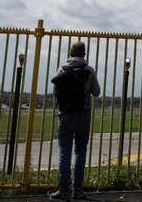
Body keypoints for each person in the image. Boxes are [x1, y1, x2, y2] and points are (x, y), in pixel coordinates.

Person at [49, 41, 101, 201]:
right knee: (80, 153)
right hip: (83, 115)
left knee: (65, 152)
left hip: (65, 115)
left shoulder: (62, 69)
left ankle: (63, 191)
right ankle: (77, 190)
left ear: (70, 54)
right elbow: (97, 92)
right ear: (84, 54)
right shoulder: (89, 71)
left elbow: (56, 92)